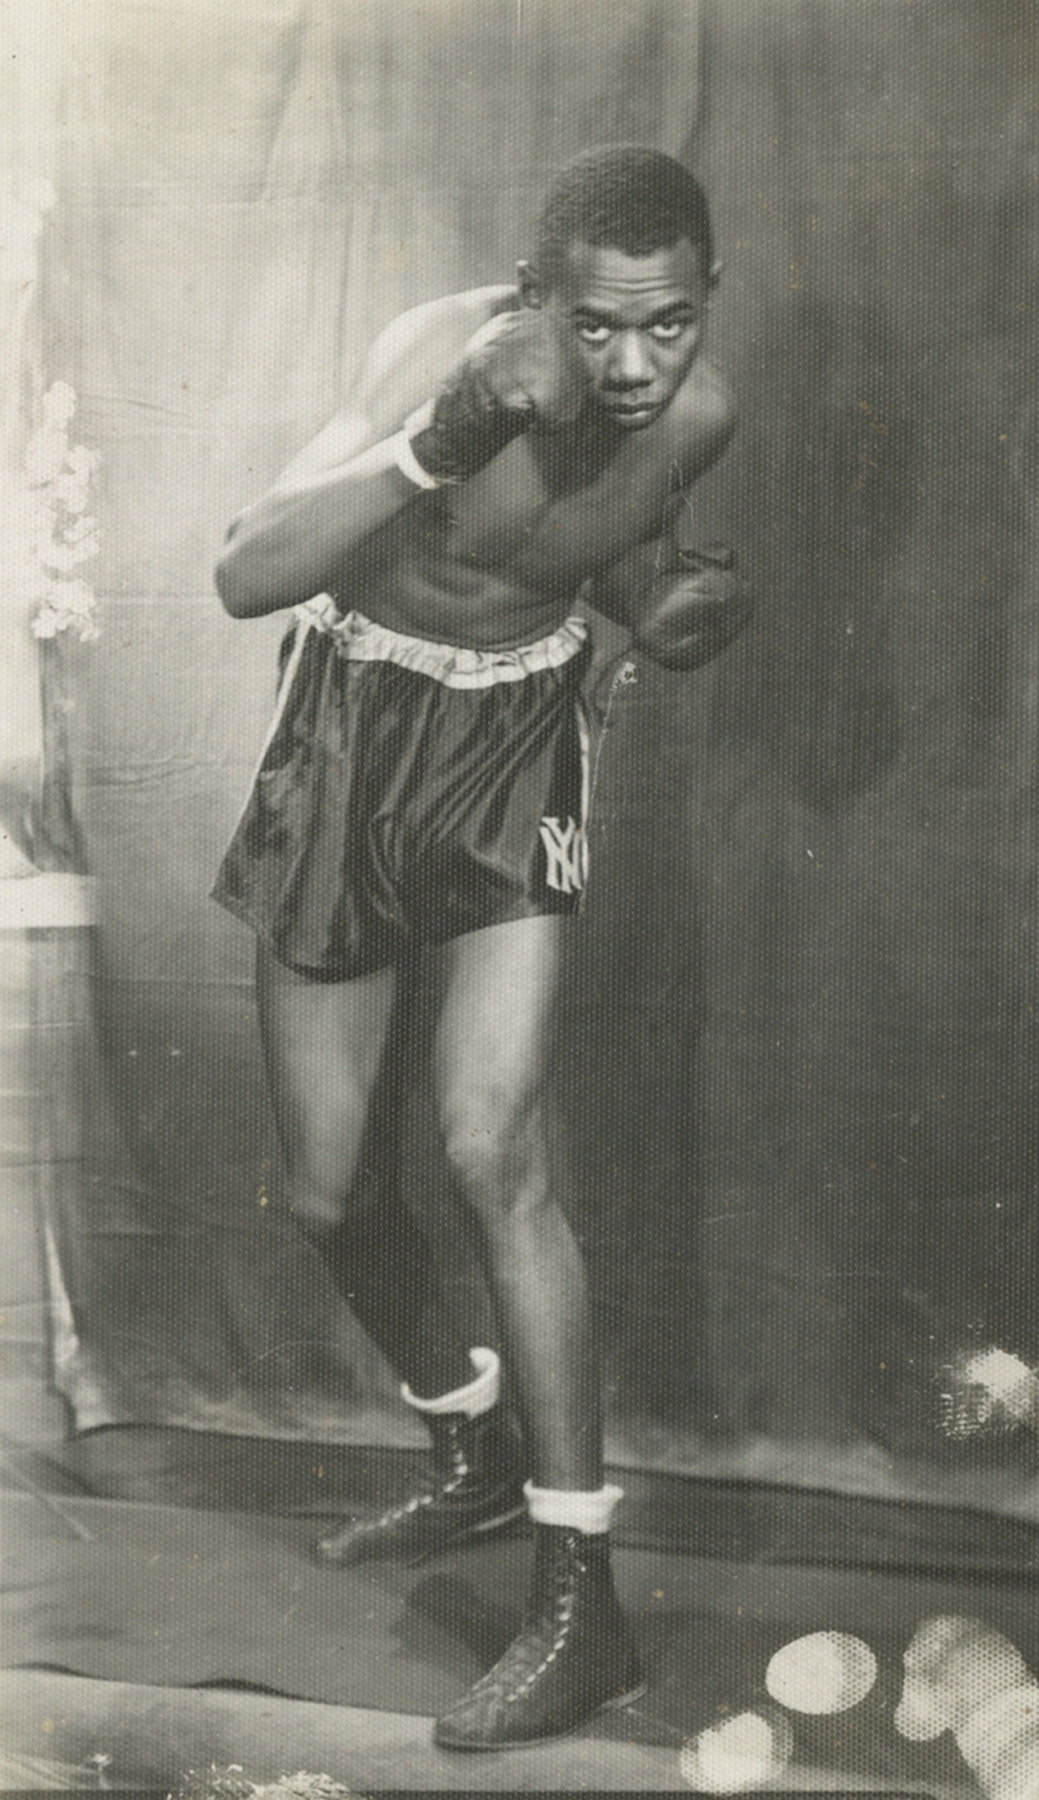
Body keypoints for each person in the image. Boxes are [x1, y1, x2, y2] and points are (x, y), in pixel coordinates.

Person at [212, 144, 750, 1750]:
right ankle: (471, 1449)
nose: (638, 367)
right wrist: (444, 430)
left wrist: (654, 602)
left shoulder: (703, 413)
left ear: (704, 300)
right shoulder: (430, 355)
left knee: (487, 1144)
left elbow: (594, 547)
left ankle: (586, 1602)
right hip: (350, 728)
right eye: (598, 332)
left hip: (516, 749)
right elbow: (246, 568)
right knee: (325, 1185)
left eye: (669, 326)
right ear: (536, 302)